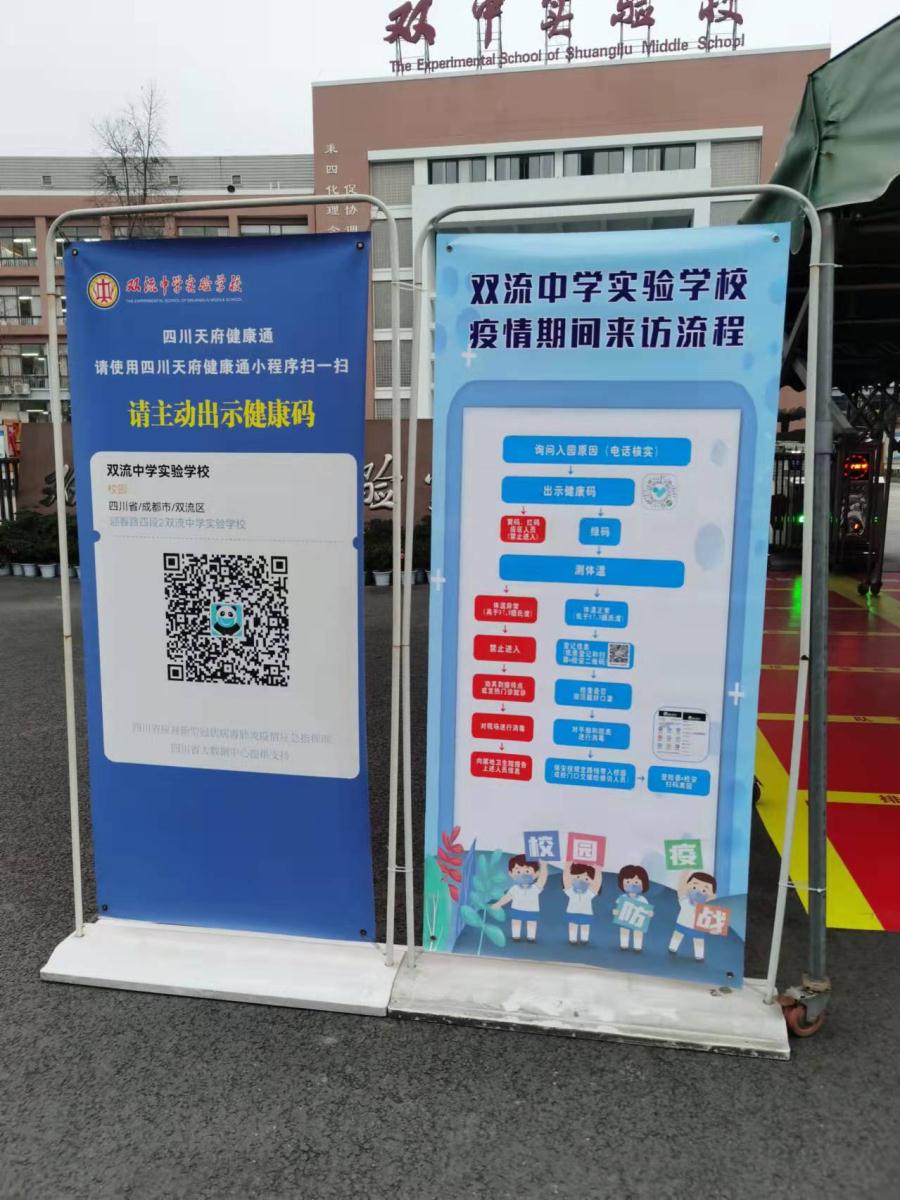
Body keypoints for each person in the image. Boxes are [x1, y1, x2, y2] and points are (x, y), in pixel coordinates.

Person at [491, 854, 549, 942]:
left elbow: (542, 880)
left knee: (531, 923)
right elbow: (507, 897)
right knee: (516, 922)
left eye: (527, 871)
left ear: (536, 873)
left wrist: (544, 867)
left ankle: (531, 937)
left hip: (532, 910)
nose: (523, 874)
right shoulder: (514, 889)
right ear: (511, 874)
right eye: (518, 872)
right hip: (517, 909)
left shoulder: (535, 887)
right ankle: (516, 936)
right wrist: (498, 904)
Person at [668, 870, 717, 962]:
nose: (698, 892)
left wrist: (714, 930)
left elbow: (712, 921)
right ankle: (673, 947)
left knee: (699, 941)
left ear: (712, 896)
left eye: (704, 890)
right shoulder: (685, 901)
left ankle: (699, 955)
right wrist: (684, 874)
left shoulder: (706, 909)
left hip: (698, 928)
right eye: (694, 887)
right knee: (677, 936)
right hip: (682, 924)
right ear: (687, 886)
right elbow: (681, 887)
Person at [612, 865, 653, 951]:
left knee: (638, 931)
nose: (632, 885)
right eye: (628, 881)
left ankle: (637, 946)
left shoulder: (642, 899)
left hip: (637, 919)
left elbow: (647, 910)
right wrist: (616, 911)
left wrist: (649, 913)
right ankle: (624, 944)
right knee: (624, 929)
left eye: (636, 882)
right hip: (625, 918)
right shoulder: (622, 897)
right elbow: (618, 907)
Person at [561, 861, 602, 945]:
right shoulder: (571, 891)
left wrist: (598, 870)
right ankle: (572, 939)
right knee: (573, 926)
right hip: (572, 912)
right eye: (578, 877)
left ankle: (584, 939)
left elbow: (597, 883)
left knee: (585, 926)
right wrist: (568, 865)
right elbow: (566, 878)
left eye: (586, 879)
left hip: (586, 912)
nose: (581, 881)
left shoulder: (589, 892)